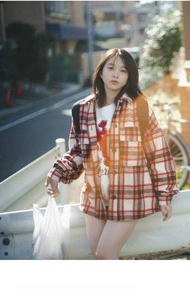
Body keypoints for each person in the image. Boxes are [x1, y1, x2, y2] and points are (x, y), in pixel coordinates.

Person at [45, 48, 179, 260]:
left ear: (129, 76)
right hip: (94, 195)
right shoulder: (82, 110)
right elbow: (79, 151)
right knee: (97, 256)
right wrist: (56, 173)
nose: (116, 74)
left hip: (129, 193)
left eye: (123, 70)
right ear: (100, 72)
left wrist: (165, 194)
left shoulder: (139, 108)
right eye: (111, 68)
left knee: (106, 253)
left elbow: (158, 153)